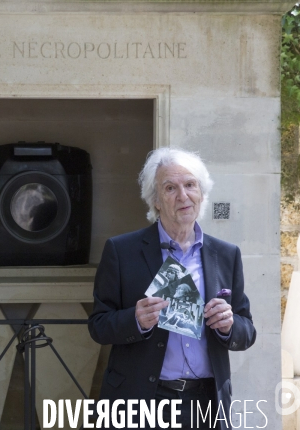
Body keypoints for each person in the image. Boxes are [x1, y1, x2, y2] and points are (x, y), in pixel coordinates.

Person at [88, 148, 256, 430]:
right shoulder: (121, 250)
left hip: (206, 404)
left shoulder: (226, 255)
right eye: (170, 188)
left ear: (201, 192)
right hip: (142, 401)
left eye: (190, 185)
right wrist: (136, 320)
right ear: (155, 200)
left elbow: (247, 330)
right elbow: (98, 325)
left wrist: (229, 325)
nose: (183, 196)